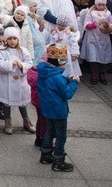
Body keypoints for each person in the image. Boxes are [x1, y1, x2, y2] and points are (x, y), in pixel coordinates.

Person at [37, 44, 79, 172]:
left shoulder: (44, 72)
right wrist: (74, 82)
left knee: (50, 130)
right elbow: (67, 94)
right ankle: (58, 160)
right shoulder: (57, 77)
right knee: (61, 135)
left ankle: (45, 155)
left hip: (47, 109)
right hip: (58, 111)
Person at [0, 27, 35, 135]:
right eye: (10, 38)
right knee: (6, 103)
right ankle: (7, 121)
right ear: (5, 39)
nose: (12, 41)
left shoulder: (23, 50)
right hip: (6, 81)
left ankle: (26, 120)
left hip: (20, 81)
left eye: (15, 38)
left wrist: (22, 66)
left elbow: (29, 63)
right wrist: (10, 64)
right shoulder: (1, 51)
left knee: (22, 103)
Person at [80, 0, 112, 85]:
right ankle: (94, 74)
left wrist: (108, 27)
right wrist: (93, 25)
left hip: (103, 38)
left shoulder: (107, 13)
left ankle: (102, 74)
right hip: (93, 38)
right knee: (94, 57)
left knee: (103, 57)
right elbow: (86, 24)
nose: (101, 7)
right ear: (96, 4)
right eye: (99, 5)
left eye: (103, 5)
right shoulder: (91, 12)